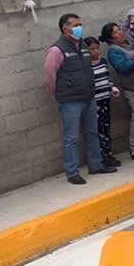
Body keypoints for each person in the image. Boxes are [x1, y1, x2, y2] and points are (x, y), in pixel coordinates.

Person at [44, 13, 115, 185]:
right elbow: (49, 76)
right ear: (65, 28)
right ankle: (72, 171)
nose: (79, 28)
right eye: (75, 25)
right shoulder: (57, 50)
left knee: (92, 132)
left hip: (89, 97)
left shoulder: (83, 45)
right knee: (71, 137)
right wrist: (60, 94)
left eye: (80, 24)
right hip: (70, 101)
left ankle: (96, 165)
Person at [102, 23, 134, 161]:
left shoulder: (130, 42)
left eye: (119, 29)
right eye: (116, 32)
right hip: (132, 88)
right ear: (111, 38)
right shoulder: (113, 51)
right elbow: (123, 67)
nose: (120, 32)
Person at [83, 37, 120, 170]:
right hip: (95, 102)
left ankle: (108, 155)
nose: (95, 51)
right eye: (91, 49)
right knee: (98, 131)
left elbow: (107, 77)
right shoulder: (85, 66)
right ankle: (101, 158)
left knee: (106, 128)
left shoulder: (103, 62)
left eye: (96, 48)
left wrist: (112, 88)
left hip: (105, 100)